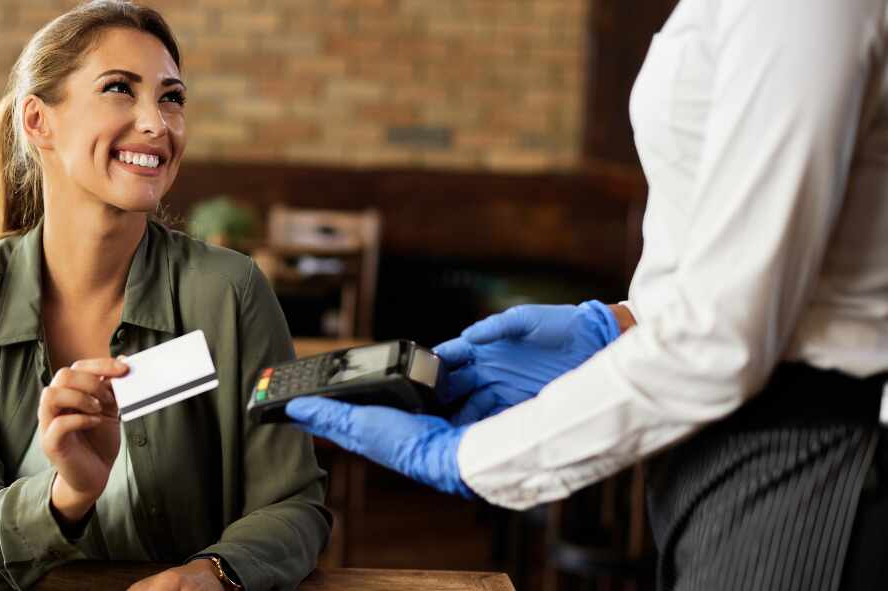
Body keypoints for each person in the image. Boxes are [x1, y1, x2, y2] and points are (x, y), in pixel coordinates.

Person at [288, 1, 888, 589]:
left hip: (803, 448)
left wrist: (470, 457)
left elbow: (725, 336)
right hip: (716, 433)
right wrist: (622, 327)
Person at [0, 2, 330, 589]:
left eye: (172, 97)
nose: (157, 123)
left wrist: (213, 574)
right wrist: (69, 493)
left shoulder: (230, 292)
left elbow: (294, 505)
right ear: (38, 121)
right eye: (119, 89)